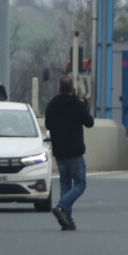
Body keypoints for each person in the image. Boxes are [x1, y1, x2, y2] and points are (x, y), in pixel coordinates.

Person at [44, 75, 93, 231]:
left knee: (65, 184)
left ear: (59, 89)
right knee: (80, 184)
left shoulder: (52, 105)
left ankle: (67, 220)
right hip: (75, 152)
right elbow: (89, 123)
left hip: (59, 152)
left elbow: (48, 124)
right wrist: (85, 106)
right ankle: (61, 206)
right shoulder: (77, 104)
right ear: (73, 89)